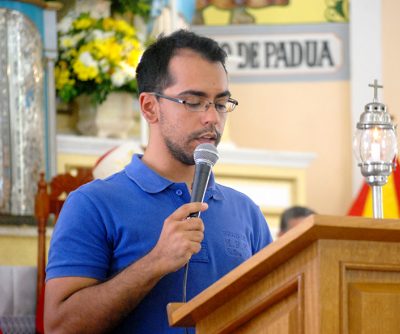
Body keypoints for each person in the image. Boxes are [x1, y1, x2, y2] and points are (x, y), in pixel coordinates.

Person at [44, 30, 273, 333]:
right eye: (193, 101)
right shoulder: (92, 204)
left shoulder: (246, 212)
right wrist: (156, 262)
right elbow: (60, 327)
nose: (212, 119)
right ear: (150, 107)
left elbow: (277, 308)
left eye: (220, 103)